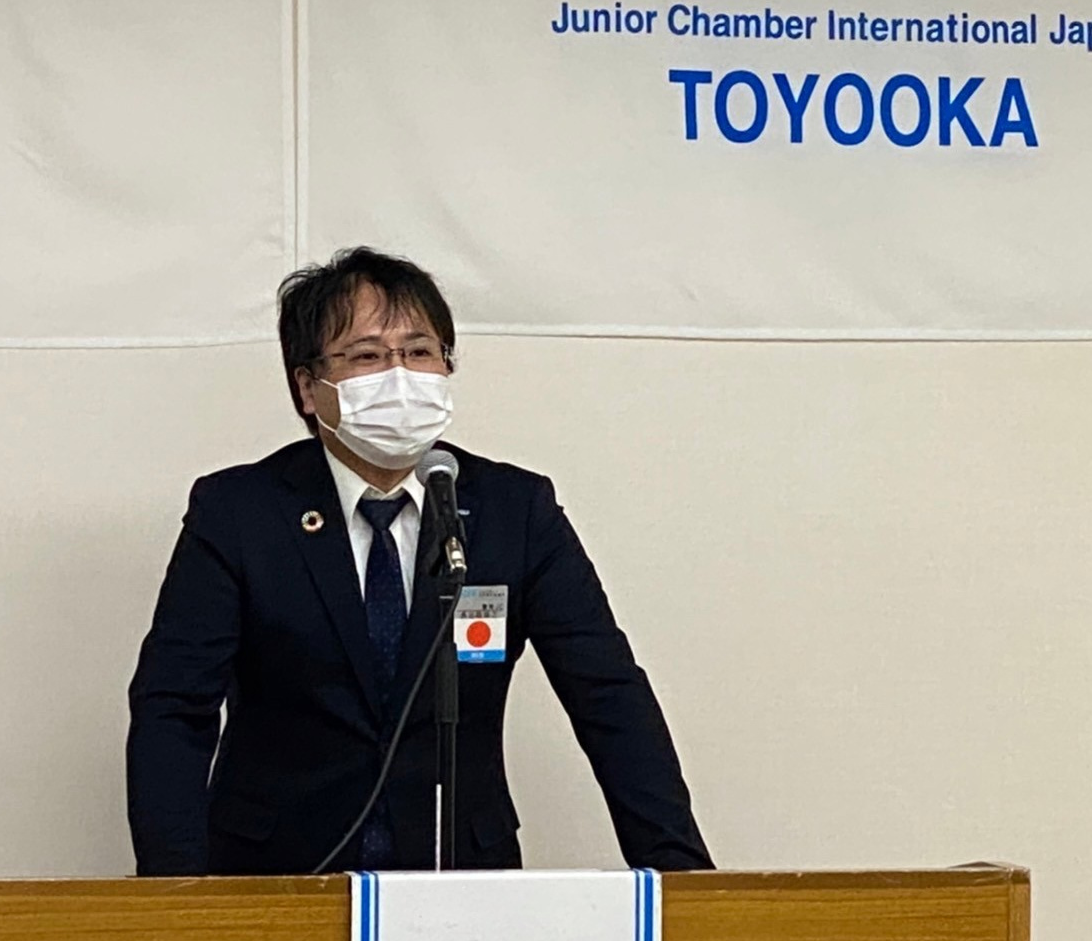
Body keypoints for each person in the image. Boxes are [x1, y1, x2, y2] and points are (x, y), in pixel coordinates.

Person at [127, 247, 712, 875]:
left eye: (419, 351)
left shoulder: (514, 510)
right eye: (367, 356)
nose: (400, 375)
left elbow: (608, 696)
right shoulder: (239, 512)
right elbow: (174, 708)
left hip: (459, 871)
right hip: (276, 873)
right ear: (308, 388)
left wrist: (681, 879)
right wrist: (175, 894)